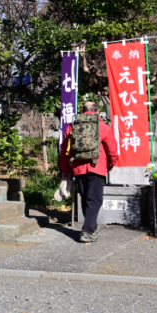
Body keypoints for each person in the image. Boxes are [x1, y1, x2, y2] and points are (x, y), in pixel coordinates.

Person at [60, 101, 120, 243]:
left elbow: (65, 151)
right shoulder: (103, 127)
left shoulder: (73, 126)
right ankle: (87, 231)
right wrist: (110, 165)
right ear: (97, 111)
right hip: (97, 166)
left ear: (83, 111)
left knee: (86, 198)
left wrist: (66, 170)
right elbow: (112, 149)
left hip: (78, 167)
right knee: (95, 200)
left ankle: (91, 225)